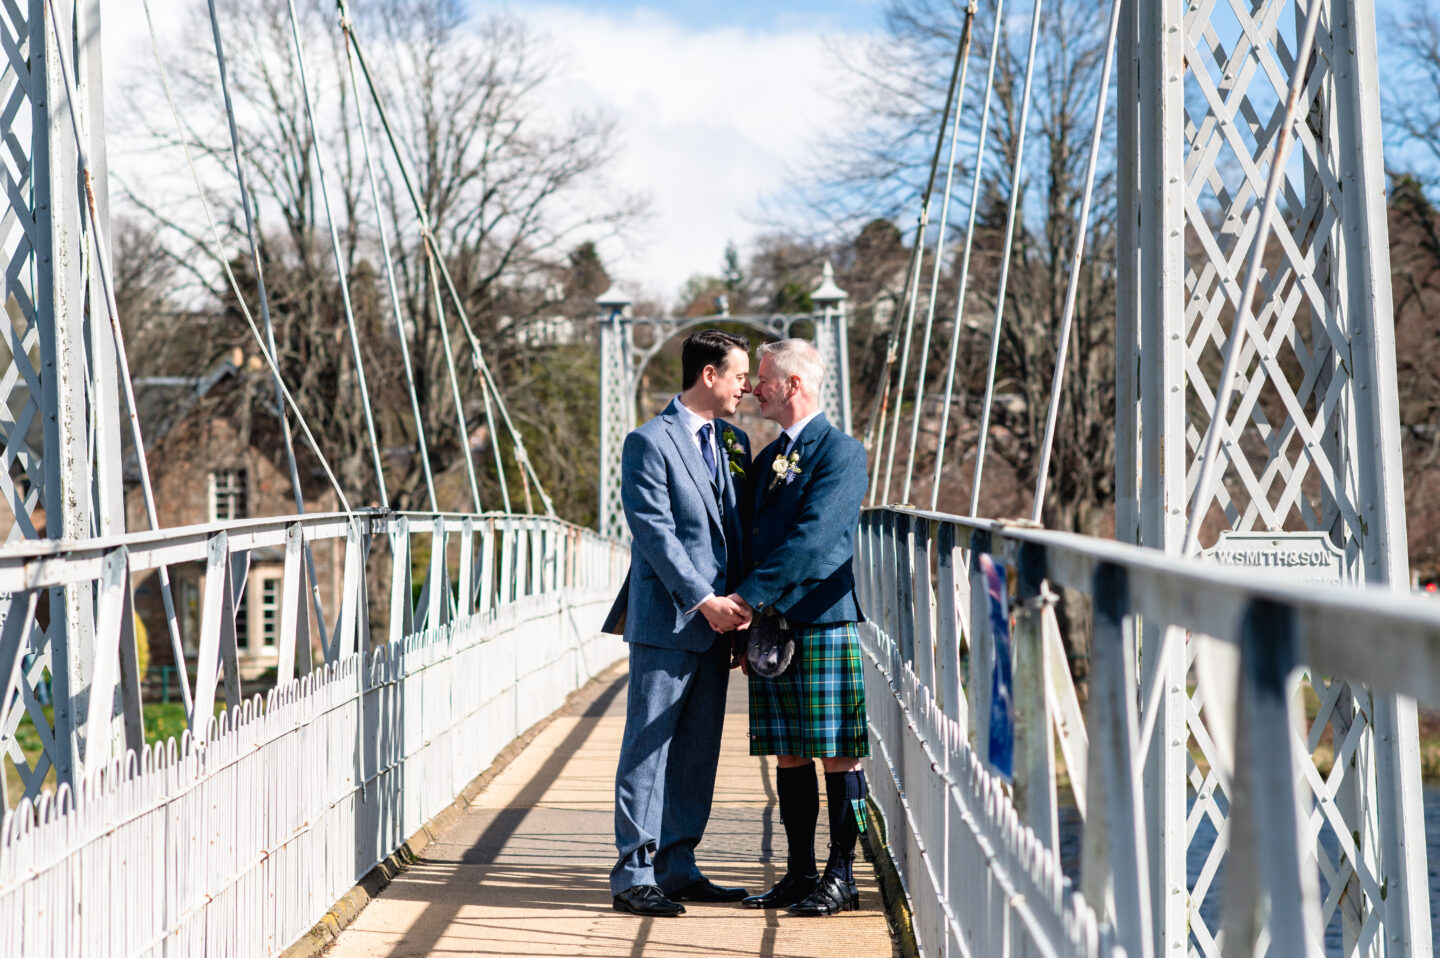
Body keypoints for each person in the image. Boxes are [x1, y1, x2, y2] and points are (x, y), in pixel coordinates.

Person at [605, 329, 755, 918]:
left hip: (722, 626)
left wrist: (742, 617)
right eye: (740, 375)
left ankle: (678, 865)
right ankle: (633, 875)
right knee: (649, 746)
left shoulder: (736, 443)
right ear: (709, 375)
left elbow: (739, 535)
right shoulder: (648, 441)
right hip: (670, 619)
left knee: (697, 750)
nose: (747, 386)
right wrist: (703, 600)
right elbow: (655, 533)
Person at [728, 338, 870, 917]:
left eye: (762, 378)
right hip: (771, 625)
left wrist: (747, 597)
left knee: (839, 753)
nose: (754, 389)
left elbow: (814, 541)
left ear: (791, 385)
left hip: (820, 618)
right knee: (788, 752)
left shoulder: (842, 453)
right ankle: (798, 873)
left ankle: (842, 877)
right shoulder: (766, 460)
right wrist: (746, 615)